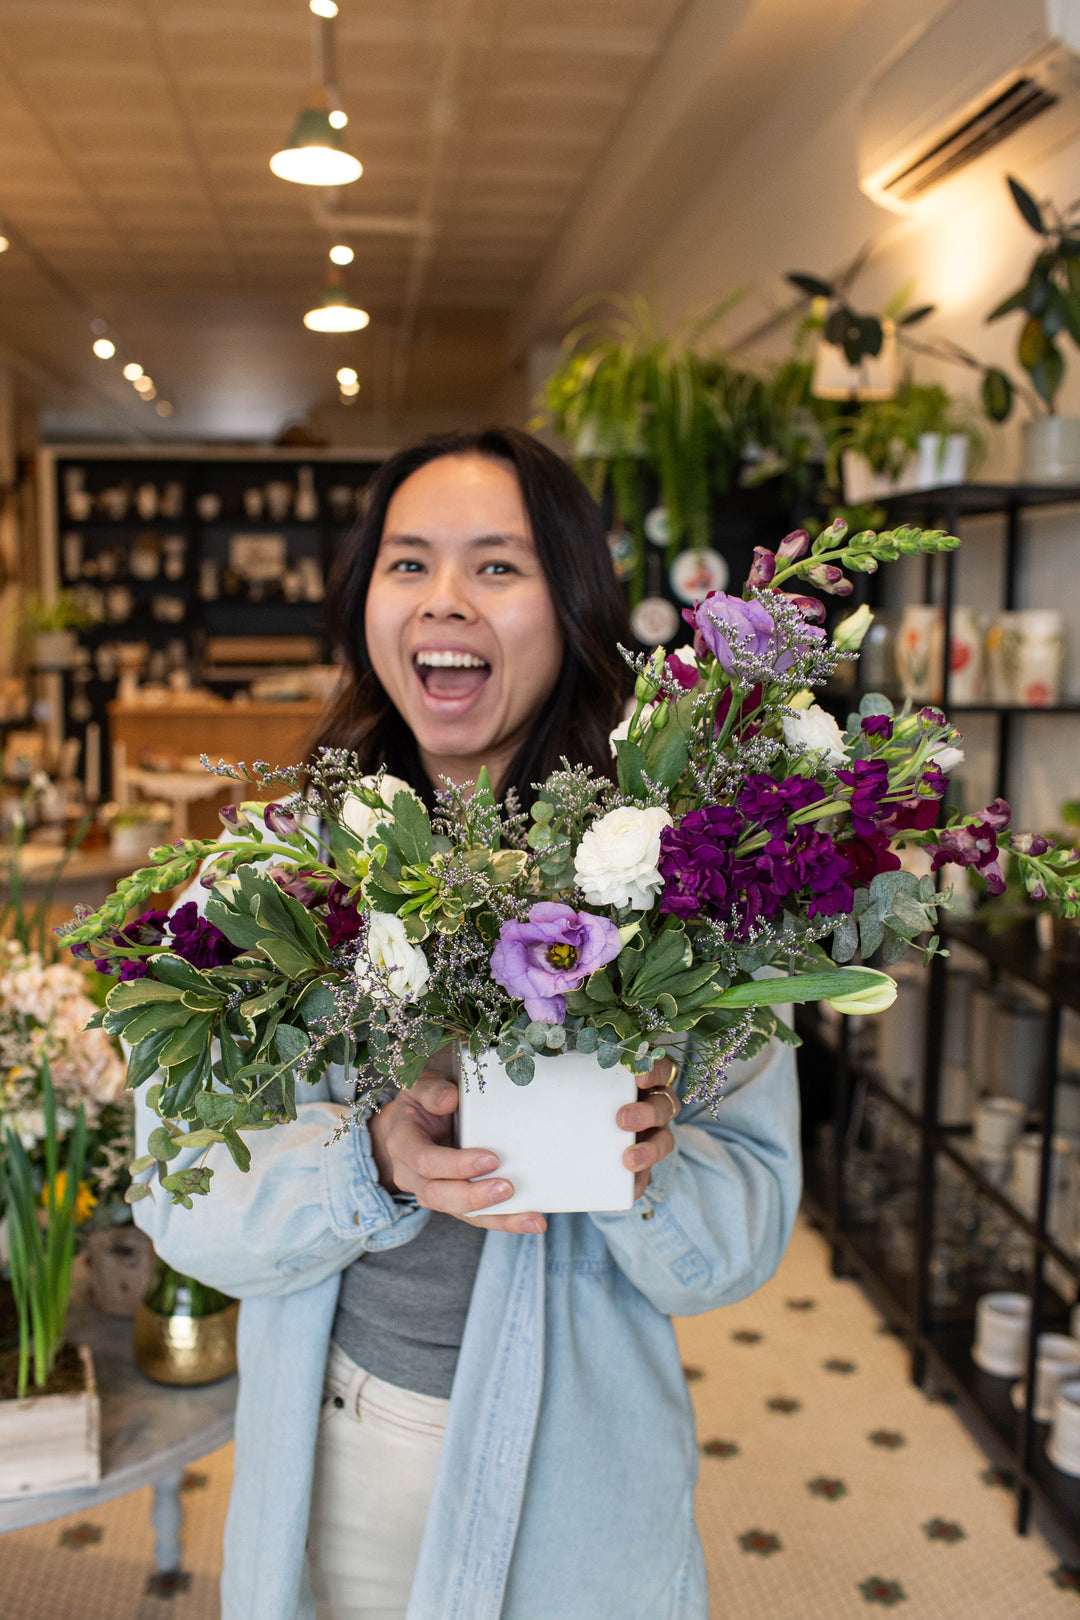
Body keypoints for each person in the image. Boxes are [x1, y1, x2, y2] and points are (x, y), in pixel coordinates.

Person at [133, 427, 801, 1620]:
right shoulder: (270, 879)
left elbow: (741, 1234)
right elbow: (177, 1190)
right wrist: (368, 1165)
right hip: (340, 1454)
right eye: (408, 563)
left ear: (573, 603)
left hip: (581, 1475)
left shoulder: (680, 881)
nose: (446, 598)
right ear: (364, 603)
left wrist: (647, 1166)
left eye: (498, 565)